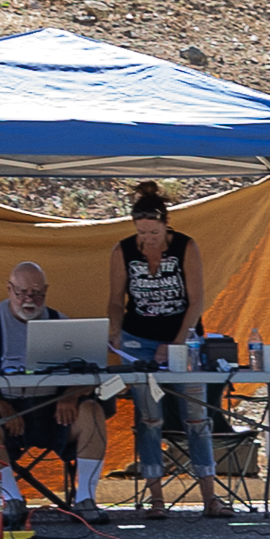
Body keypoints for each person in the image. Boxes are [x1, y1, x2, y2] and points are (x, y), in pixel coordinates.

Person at [106, 182, 232, 518]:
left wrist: (176, 344)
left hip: (183, 337)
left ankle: (210, 495)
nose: (146, 238)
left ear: (165, 224)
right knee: (149, 418)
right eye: (141, 232)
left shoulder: (185, 248)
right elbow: (116, 300)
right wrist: (115, 330)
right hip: (138, 339)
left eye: (152, 232)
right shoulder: (122, 251)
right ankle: (156, 498)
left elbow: (196, 301)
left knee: (196, 415)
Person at [0, 260, 111, 526]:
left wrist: (70, 396)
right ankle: (11, 501)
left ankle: (85, 500)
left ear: (46, 292)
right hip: (4, 407)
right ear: (9, 289)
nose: (29, 299)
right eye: (22, 293)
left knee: (92, 412)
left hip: (54, 411)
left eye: (37, 294)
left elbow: (91, 373)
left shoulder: (61, 323)